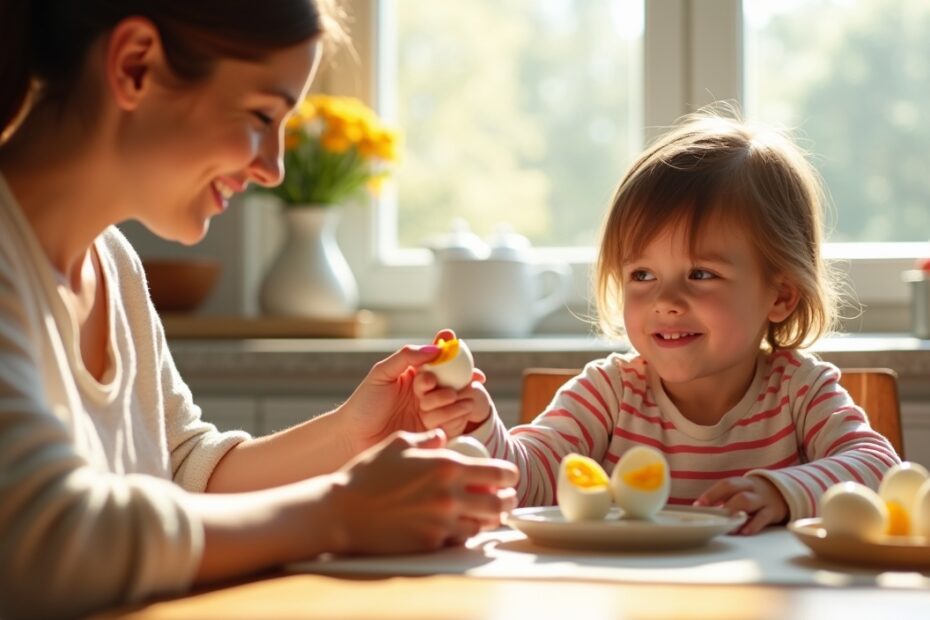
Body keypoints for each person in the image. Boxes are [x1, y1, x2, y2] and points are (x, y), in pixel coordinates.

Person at [0, 2, 518, 618]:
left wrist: (352, 437)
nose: (272, 168)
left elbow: (181, 475)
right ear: (135, 66)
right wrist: (339, 512)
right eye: (260, 116)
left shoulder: (112, 264)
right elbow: (43, 539)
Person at [413, 111, 900, 536]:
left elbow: (881, 468)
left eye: (701, 274)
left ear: (780, 294)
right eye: (641, 274)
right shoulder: (609, 393)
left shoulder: (799, 391)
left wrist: (781, 491)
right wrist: (479, 425)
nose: (665, 300)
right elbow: (529, 481)